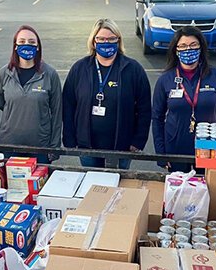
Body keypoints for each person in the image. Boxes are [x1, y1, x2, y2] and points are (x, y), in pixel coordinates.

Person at [62, 18, 152, 169]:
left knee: (119, 188)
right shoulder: (79, 69)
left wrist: (138, 141)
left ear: (118, 40)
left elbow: (144, 109)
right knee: (92, 187)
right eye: (101, 39)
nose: (106, 42)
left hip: (122, 147)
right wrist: (70, 140)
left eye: (111, 39)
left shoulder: (133, 69)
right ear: (93, 41)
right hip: (87, 147)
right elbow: (68, 106)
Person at [152, 26, 216, 172]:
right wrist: (161, 153)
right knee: (179, 192)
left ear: (201, 47)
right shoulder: (165, 79)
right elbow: (157, 118)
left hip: (208, 148)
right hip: (175, 148)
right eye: (183, 46)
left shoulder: (215, 76)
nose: (188, 49)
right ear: (176, 50)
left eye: (193, 45)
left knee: (207, 191)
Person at [0, 25, 62, 163]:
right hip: (9, 144)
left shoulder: (50, 75)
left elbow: (57, 112)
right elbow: (2, 102)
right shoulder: (4, 73)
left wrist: (54, 147)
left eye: (32, 42)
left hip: (39, 146)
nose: (27, 45)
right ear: (15, 46)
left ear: (38, 47)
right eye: (22, 41)